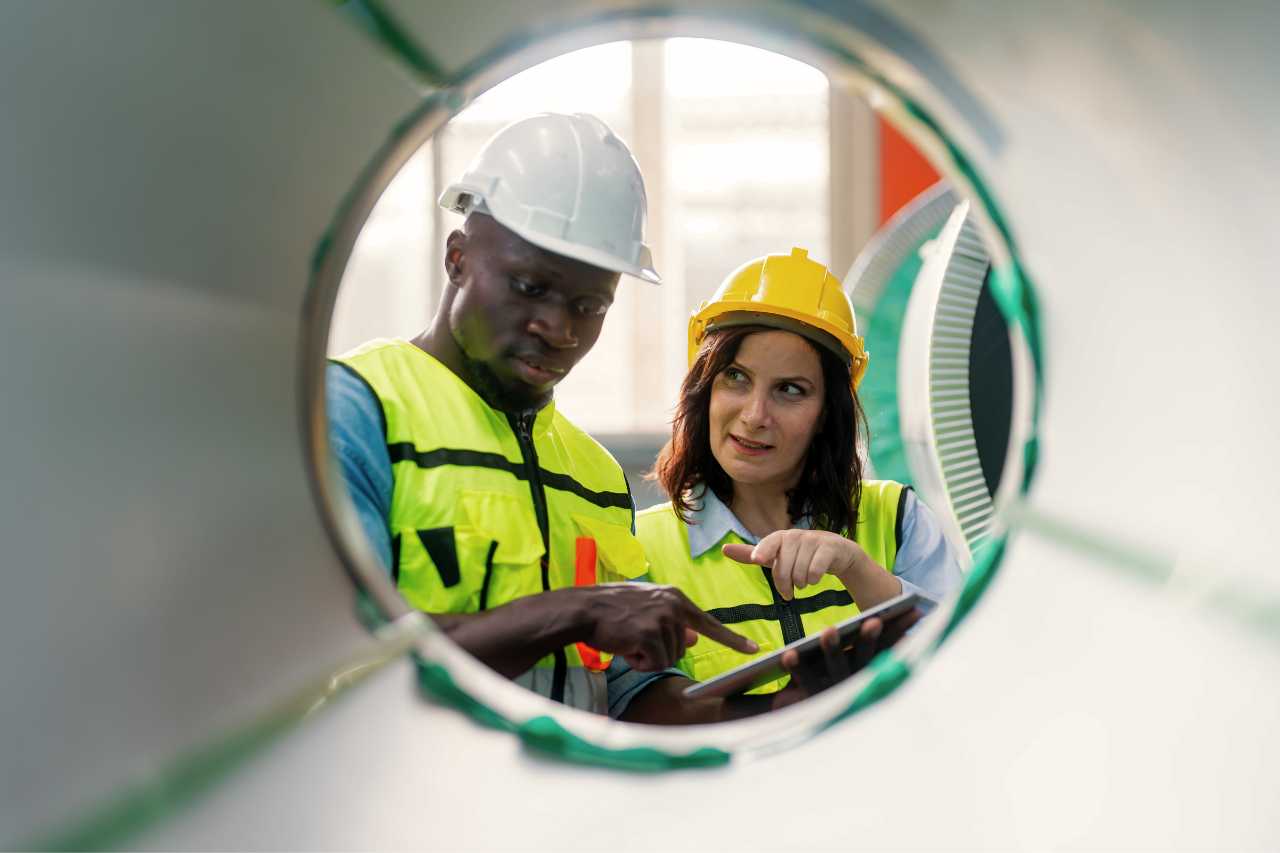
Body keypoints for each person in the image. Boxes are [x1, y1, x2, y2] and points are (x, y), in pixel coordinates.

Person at [327, 112, 755, 716]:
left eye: (590, 305)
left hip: (568, 806)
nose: (558, 329)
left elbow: (629, 698)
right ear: (457, 258)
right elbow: (347, 657)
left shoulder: (597, 476)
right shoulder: (358, 410)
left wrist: (794, 701)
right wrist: (575, 612)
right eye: (529, 287)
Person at [620, 247, 963, 723]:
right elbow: (629, 714)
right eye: (736, 378)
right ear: (705, 390)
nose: (755, 415)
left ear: (828, 415)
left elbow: (969, 671)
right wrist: (788, 705)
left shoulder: (898, 520)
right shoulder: (638, 546)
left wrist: (856, 568)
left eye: (790, 390)